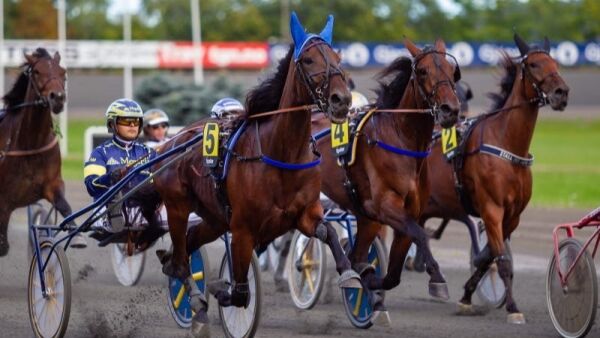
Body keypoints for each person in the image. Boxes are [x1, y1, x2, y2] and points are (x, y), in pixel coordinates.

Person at [83, 98, 156, 238]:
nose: (133, 125)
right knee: (115, 191)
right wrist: (111, 177)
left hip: (141, 210)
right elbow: (91, 186)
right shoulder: (100, 152)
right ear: (112, 123)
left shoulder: (148, 152)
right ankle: (114, 212)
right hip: (104, 210)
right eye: (127, 121)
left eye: (137, 121)